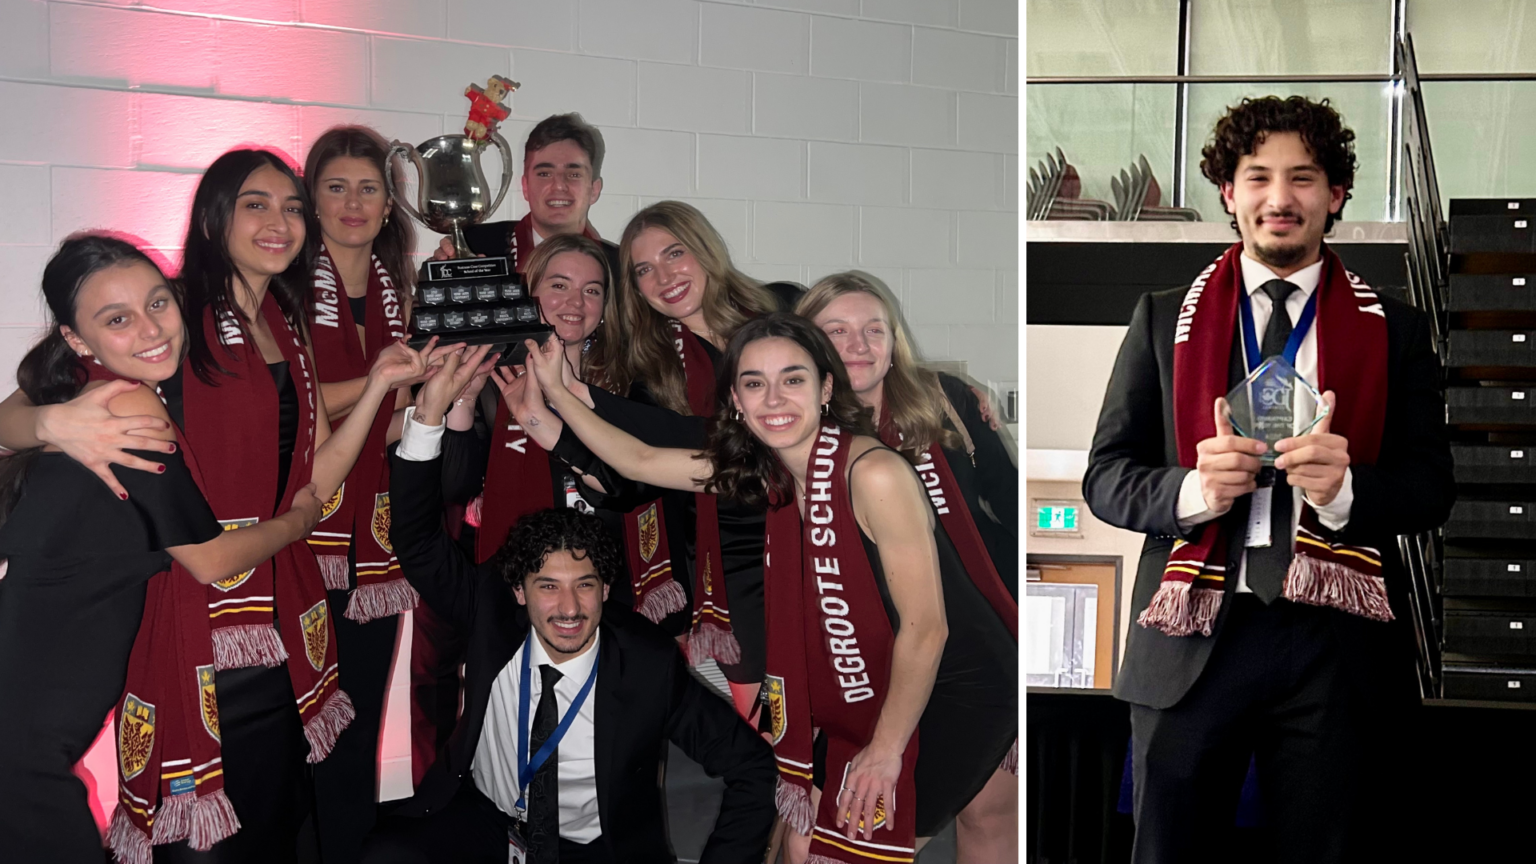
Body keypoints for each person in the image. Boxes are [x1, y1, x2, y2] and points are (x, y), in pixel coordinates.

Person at [0, 150, 439, 861]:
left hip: (272, 624)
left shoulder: (283, 324)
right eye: (255, 205)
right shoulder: (174, 316)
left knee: (272, 819)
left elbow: (317, 472)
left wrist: (386, 380)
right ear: (214, 217)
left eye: (292, 206)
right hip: (201, 622)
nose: (280, 222)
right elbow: (26, 400)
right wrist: (45, 423)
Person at [1083, 95, 1455, 863]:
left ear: (1336, 195)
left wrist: (1346, 490)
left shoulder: (1399, 328)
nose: (1279, 199)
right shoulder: (1161, 321)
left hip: (1337, 646)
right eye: (1258, 177)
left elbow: (1430, 488)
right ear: (1229, 191)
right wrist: (1194, 489)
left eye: (1303, 178)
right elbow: (1108, 478)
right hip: (1193, 636)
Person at [513, 312, 1017, 864]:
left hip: (958, 691)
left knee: (848, 850)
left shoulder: (873, 474)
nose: (774, 398)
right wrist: (558, 392)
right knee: (800, 845)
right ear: (735, 399)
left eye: (793, 379)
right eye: (755, 383)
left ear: (826, 387)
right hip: (881, 676)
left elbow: (927, 630)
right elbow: (641, 459)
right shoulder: (772, 472)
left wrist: (884, 751)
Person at [361, 345, 777, 864]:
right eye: (547, 586)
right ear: (518, 592)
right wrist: (426, 417)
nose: (568, 607)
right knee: (387, 856)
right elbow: (418, 539)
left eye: (584, 584)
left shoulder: (646, 664)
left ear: (606, 589)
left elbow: (753, 768)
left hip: (593, 849)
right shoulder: (490, 613)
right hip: (487, 821)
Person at [0, 235, 324, 863]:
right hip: (23, 747)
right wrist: (298, 519)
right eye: (117, 319)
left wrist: (38, 424)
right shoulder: (128, 405)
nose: (152, 330)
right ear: (77, 338)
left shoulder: (79, 381)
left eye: (158, 303)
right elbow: (208, 559)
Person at [417, 112, 620, 781]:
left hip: (597, 519)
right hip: (494, 506)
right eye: (544, 171)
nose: (559, 185)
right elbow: (439, 359)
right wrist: (461, 409)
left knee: (608, 704)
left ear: (595, 186)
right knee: (477, 687)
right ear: (522, 184)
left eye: (574, 171)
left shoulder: (618, 272)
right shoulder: (472, 248)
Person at [577, 200, 801, 719]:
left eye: (674, 253)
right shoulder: (650, 374)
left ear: (704, 249)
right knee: (768, 729)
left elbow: (854, 374)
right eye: (644, 270)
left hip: (817, 535)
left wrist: (946, 394)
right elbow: (640, 473)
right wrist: (568, 442)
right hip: (735, 562)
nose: (664, 276)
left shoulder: (783, 309)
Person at [301, 124, 426, 864]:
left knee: (361, 718)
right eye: (336, 186)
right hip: (297, 540)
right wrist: (385, 376)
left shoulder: (401, 288)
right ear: (311, 199)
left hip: (376, 545)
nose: (353, 202)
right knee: (299, 723)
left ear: (389, 205)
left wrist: (437, 389)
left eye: (369, 188)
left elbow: (393, 419)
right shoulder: (280, 284)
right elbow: (288, 402)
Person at [797, 271, 1020, 599]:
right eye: (837, 331)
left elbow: (1007, 495)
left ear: (892, 343)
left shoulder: (944, 398)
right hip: (873, 609)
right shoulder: (796, 428)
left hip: (987, 593)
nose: (858, 345)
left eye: (874, 330)